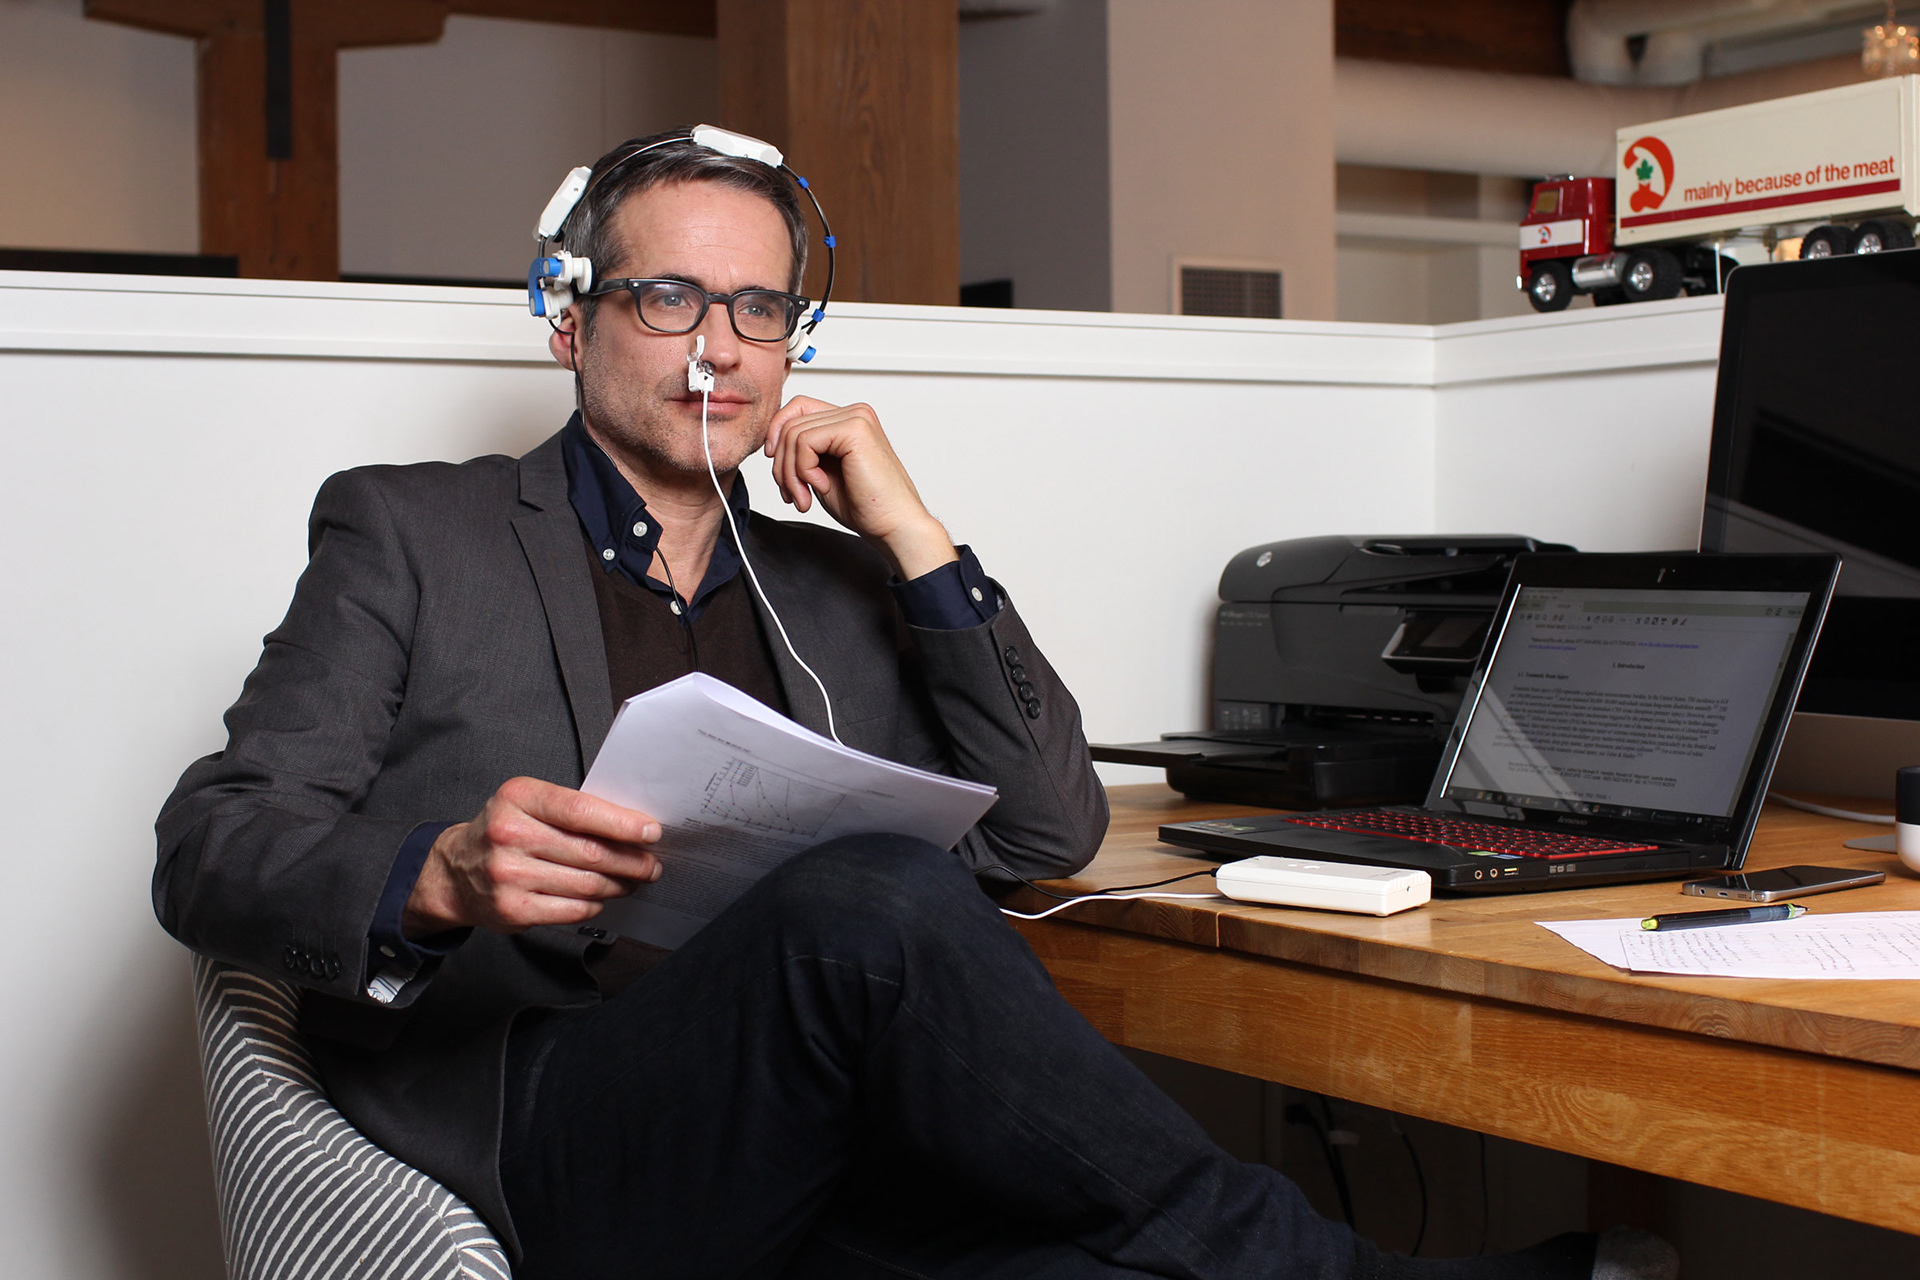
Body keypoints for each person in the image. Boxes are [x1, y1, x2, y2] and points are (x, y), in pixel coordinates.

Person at [155, 129, 1672, 1280]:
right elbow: (210, 844)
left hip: (812, 1131)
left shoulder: (834, 587)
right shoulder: (414, 531)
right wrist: (435, 874)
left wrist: (915, 535)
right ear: (570, 316)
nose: (719, 347)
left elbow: (1046, 832)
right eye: (671, 297)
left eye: (758, 307)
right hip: (563, 1129)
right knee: (871, 894)